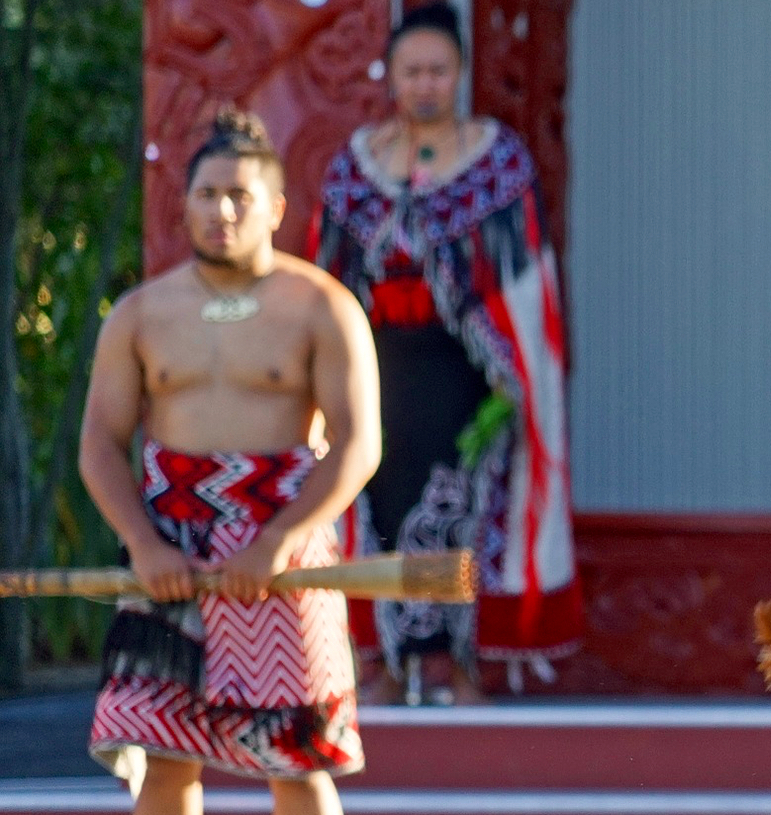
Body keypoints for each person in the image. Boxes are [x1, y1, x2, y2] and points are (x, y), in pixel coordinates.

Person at [79, 109, 380, 815]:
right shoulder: (140, 314)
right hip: (168, 546)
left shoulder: (323, 307)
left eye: (239, 195)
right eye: (207, 194)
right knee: (164, 762)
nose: (222, 210)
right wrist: (144, 542)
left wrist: (279, 539)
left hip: (285, 543)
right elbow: (99, 441)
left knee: (297, 760)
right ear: (183, 205)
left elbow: (359, 443)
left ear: (274, 207)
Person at [310, 1, 580, 705]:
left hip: (467, 374)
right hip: (378, 371)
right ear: (391, 77)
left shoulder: (499, 163)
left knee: (460, 511)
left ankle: (454, 660)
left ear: (459, 74)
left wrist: (511, 381)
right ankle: (379, 658)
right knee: (375, 505)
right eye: (412, 71)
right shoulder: (355, 169)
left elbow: (527, 288)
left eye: (438, 70)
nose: (425, 84)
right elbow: (326, 283)